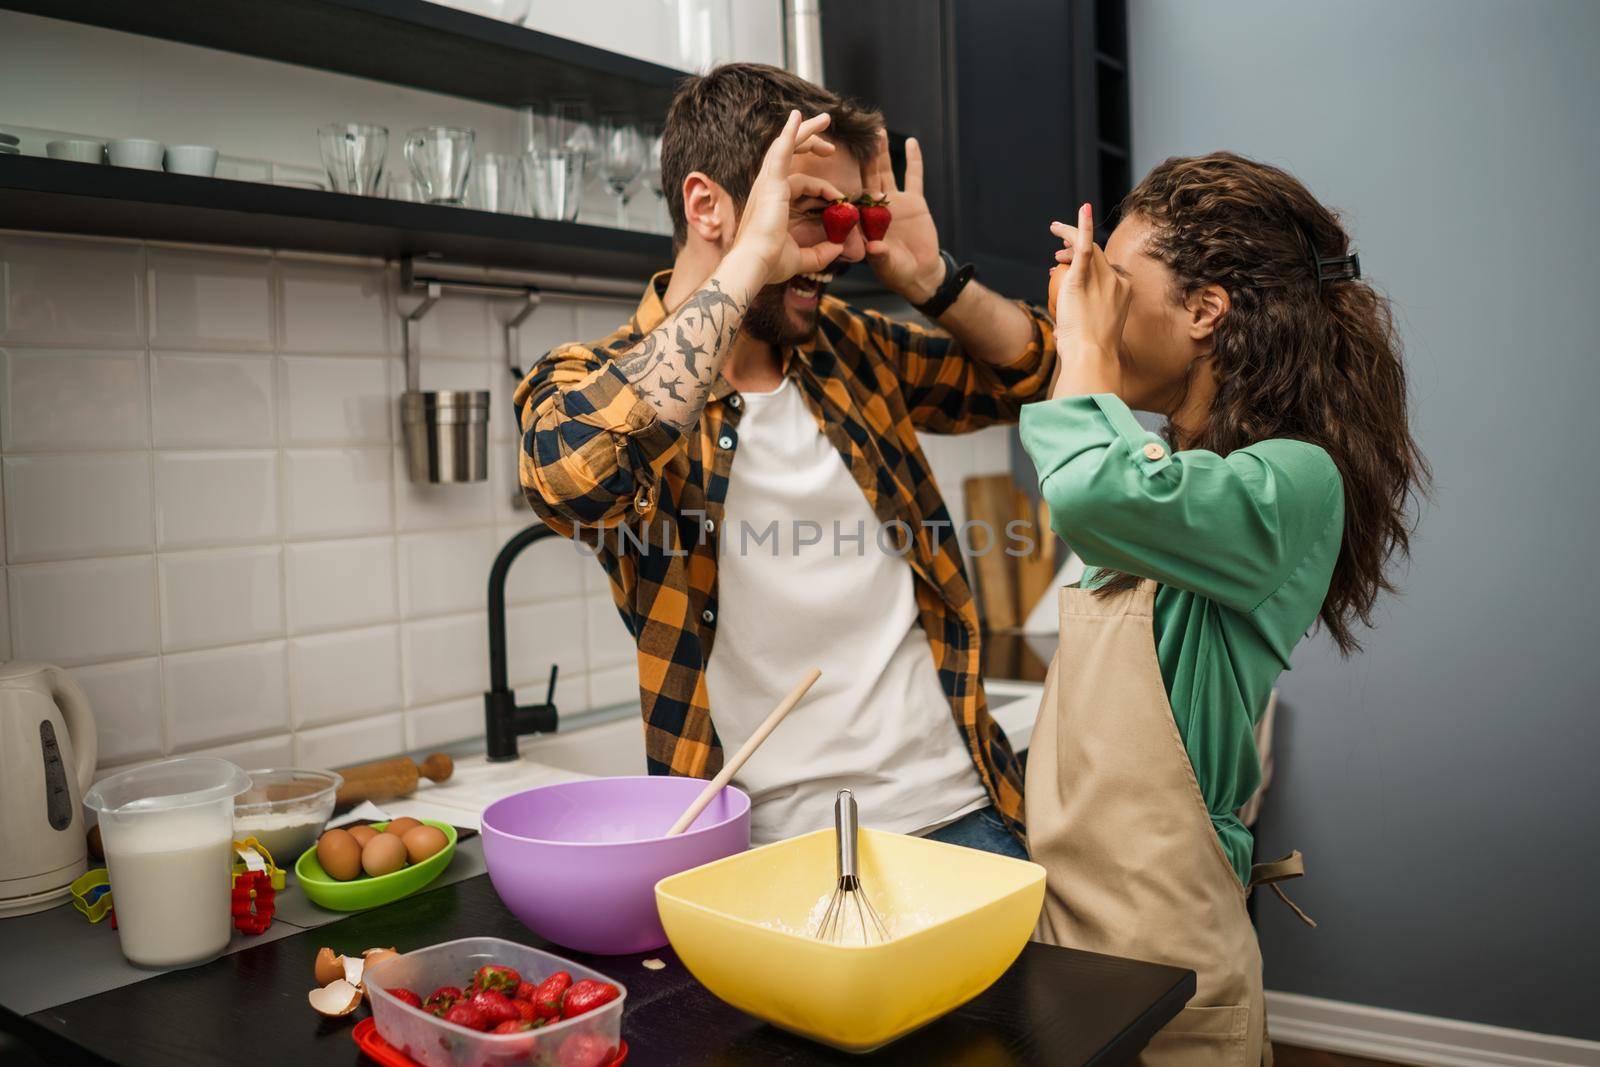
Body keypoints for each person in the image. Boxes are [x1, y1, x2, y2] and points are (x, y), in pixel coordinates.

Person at [515, 64, 1056, 855]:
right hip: (760, 851)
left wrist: (930, 279)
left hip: (959, 813)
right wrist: (754, 258)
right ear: (708, 206)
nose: (838, 244)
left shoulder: (850, 348)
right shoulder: (594, 379)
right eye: (810, 212)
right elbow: (574, 475)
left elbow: (1038, 374)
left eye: (846, 214)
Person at [1021, 154, 1428, 1064]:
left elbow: (1090, 492)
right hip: (1068, 942)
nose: (1093, 302)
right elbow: (1111, 477)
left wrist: (1081, 344)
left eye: (1115, 282)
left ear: (1206, 311)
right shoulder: (1169, 466)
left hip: (1170, 963)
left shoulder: (1295, 479)